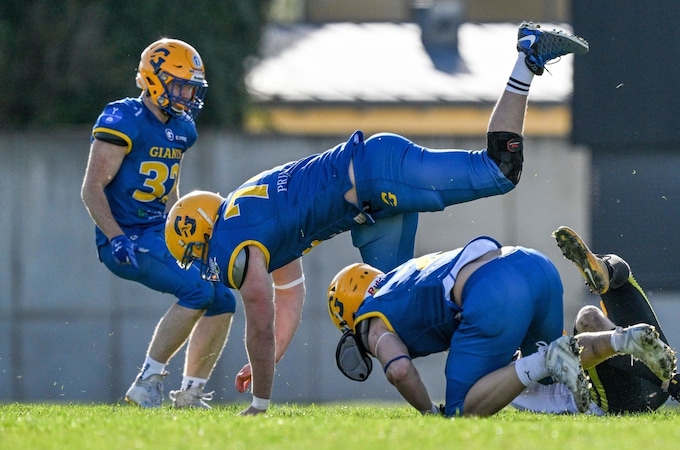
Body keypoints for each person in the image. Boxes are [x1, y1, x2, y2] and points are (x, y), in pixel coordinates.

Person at [168, 22, 590, 415]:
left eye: (195, 251)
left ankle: (527, 57)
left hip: (373, 175)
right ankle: (503, 372)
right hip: (368, 205)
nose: (204, 264)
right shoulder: (251, 223)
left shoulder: (229, 241)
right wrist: (271, 357)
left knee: (498, 170)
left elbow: (259, 320)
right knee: (396, 304)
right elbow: (288, 297)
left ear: (202, 231)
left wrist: (260, 400)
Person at [320, 236, 676, 417]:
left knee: (463, 409)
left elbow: (398, 370)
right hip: (531, 263)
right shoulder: (404, 274)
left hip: (492, 293)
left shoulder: (371, 317)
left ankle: (548, 360)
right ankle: (620, 338)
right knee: (557, 364)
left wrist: (429, 413)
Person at [80, 38, 236, 409]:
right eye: (180, 84)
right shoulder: (124, 118)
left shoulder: (182, 129)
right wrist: (115, 237)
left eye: (191, 87)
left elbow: (170, 188)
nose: (186, 95)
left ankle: (191, 393)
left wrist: (180, 227)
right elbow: (91, 189)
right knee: (197, 292)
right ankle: (147, 383)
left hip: (156, 230)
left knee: (223, 298)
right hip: (124, 236)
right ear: (154, 79)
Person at [511, 226, 680, 414]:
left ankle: (604, 270)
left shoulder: (510, 337)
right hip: (610, 400)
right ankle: (676, 384)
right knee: (588, 319)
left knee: (619, 279)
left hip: (649, 379)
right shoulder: (502, 368)